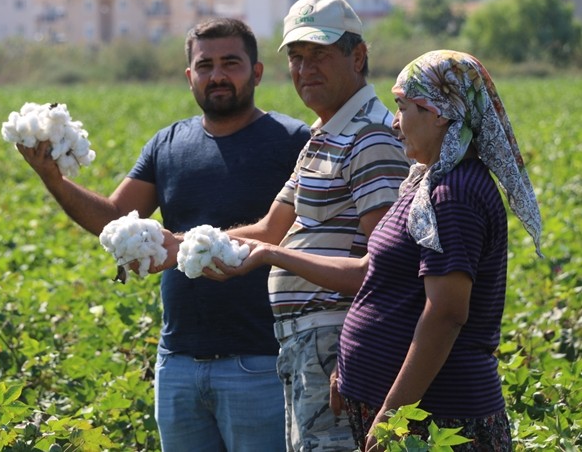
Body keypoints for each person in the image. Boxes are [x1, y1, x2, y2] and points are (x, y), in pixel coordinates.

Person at [212, 50, 543, 451]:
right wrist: (272, 254)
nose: (394, 122)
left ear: (438, 112)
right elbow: (371, 274)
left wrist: (394, 413)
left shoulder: (455, 193)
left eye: (402, 107)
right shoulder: (423, 185)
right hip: (394, 407)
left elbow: (446, 314)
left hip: (438, 417)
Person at [15, 18, 310, 452]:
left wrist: (178, 245)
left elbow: (287, 233)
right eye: (205, 65)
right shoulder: (168, 144)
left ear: (258, 72)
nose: (217, 75)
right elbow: (114, 217)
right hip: (178, 363)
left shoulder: (291, 141)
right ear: (190, 76)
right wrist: (54, 179)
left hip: (260, 361)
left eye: (231, 63)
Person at [198, 0, 411, 451]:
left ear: (358, 57)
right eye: (296, 56)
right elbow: (269, 230)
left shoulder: (370, 137)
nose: (305, 68)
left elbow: (386, 270)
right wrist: (177, 246)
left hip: (337, 344)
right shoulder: (325, 136)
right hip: (306, 347)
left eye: (320, 54)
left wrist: (357, 355)